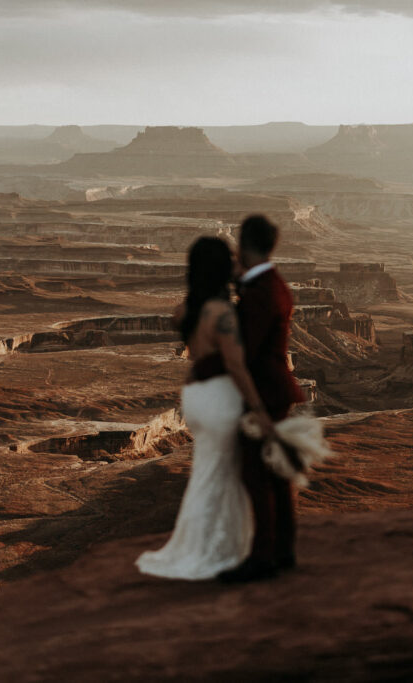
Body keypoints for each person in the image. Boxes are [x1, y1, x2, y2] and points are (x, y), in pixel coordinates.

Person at [136, 236, 274, 580]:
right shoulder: (222, 313)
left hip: (195, 396)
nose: (234, 261)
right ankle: (219, 551)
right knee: (226, 476)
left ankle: (206, 546)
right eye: (229, 258)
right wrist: (258, 408)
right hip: (220, 398)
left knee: (209, 472)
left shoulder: (185, 310)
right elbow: (236, 365)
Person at [218, 214, 307, 583]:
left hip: (262, 394)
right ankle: (282, 549)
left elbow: (243, 351)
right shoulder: (275, 284)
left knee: (255, 474)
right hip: (277, 389)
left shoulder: (257, 296)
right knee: (277, 473)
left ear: (243, 245)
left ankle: (262, 556)